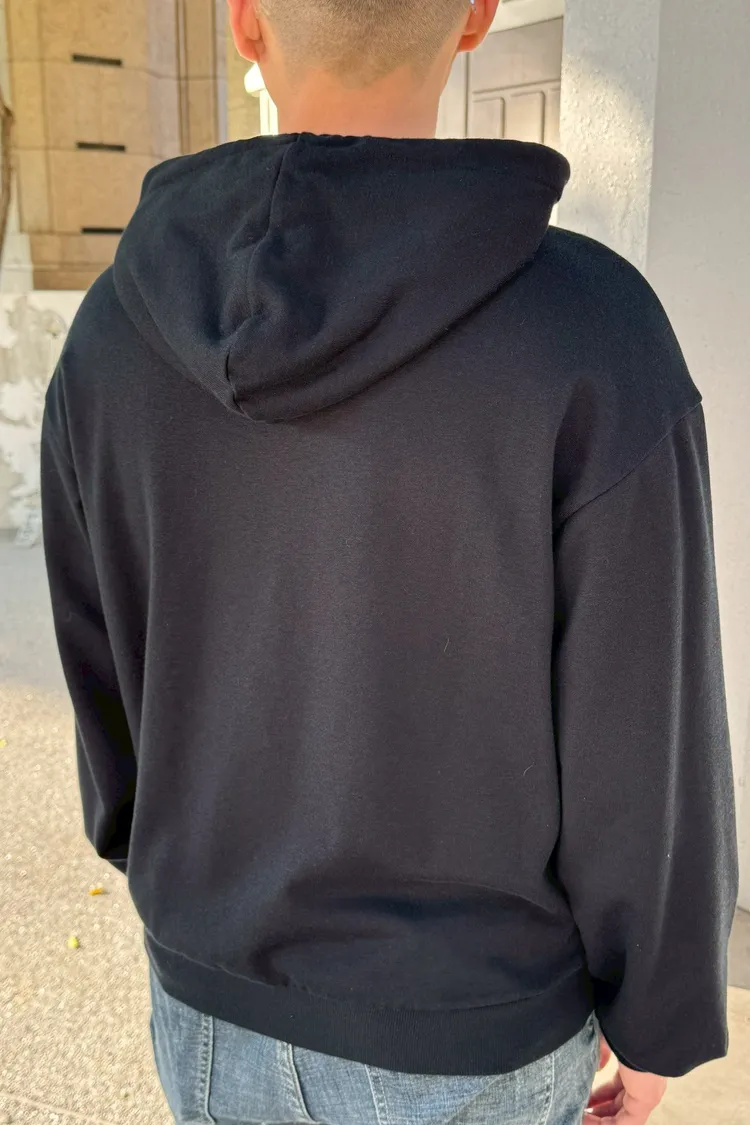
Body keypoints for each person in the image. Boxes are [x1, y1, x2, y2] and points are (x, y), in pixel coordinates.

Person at [41, 1, 738, 1123]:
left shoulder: (110, 338)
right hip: (473, 1028)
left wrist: (184, 876)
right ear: (475, 16)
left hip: (209, 1000)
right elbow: (643, 728)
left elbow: (100, 671)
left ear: (245, 23)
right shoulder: (591, 332)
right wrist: (658, 1011)